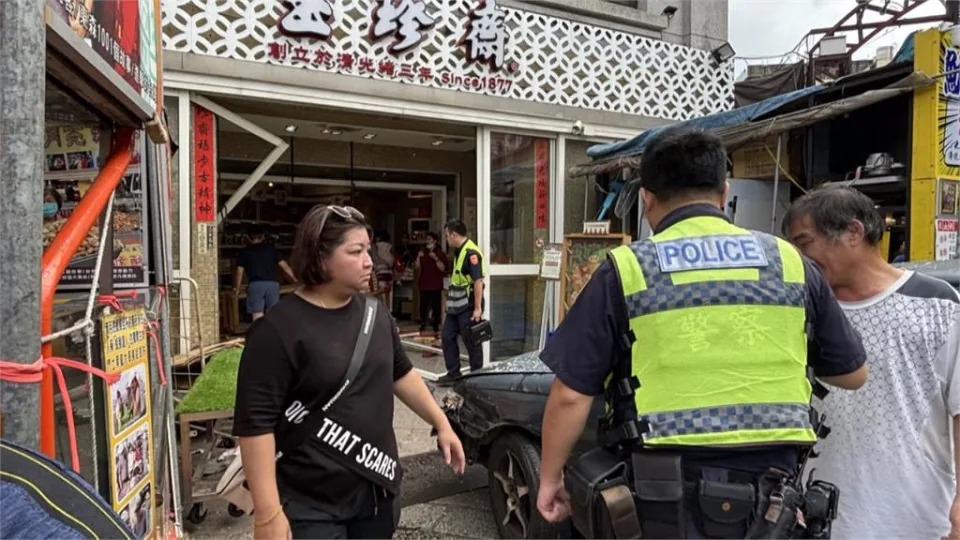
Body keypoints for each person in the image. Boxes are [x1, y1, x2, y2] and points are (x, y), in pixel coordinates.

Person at [535, 128, 869, 538]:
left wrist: (550, 479)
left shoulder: (627, 268)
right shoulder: (791, 262)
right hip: (772, 498)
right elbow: (852, 374)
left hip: (661, 494)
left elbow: (570, 393)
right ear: (724, 191)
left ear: (646, 199)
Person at [233, 205, 466, 540]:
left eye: (367, 250)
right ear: (319, 257)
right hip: (310, 504)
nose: (369, 261)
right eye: (355, 252)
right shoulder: (276, 330)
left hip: (377, 491)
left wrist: (441, 423)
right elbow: (255, 425)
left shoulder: (376, 314)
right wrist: (268, 514)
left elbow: (401, 374)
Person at [784, 185, 960, 540]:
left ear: (853, 232)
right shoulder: (796, 309)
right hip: (813, 518)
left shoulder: (938, 304)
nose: (798, 258)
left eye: (804, 243)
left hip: (913, 517)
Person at [438, 219, 486, 383]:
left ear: (454, 234)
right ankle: (453, 373)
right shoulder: (460, 250)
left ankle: (476, 376)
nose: (446, 239)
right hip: (456, 304)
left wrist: (478, 308)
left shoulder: (471, 253)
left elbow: (478, 281)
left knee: (471, 340)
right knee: (447, 336)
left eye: (447, 236)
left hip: (469, 304)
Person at [233, 226, 297, 321]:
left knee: (257, 315)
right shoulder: (271, 249)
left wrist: (237, 289)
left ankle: (259, 334)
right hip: (272, 285)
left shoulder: (244, 252)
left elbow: (239, 272)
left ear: (248, 238)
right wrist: (295, 279)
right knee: (273, 314)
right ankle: (272, 334)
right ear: (262, 237)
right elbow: (285, 266)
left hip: (255, 285)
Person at [416, 232, 448, 333]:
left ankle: (435, 324)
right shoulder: (423, 252)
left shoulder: (440, 253)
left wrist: (435, 258)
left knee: (436, 305)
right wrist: (418, 257)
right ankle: (423, 323)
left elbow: (443, 268)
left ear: (435, 241)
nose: (427, 241)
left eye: (430, 239)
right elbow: (417, 266)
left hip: (436, 284)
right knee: (423, 305)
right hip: (424, 283)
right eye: (427, 239)